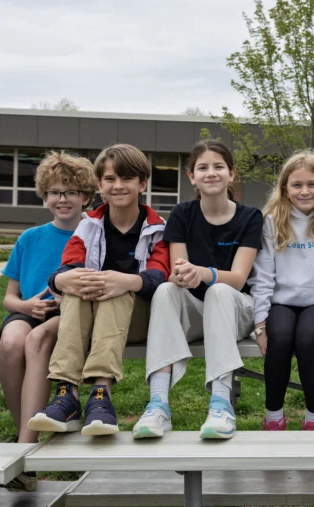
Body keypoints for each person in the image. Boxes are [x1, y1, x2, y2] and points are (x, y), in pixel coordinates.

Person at [28, 144, 169, 437]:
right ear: (100, 186)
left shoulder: (158, 228)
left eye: (127, 178)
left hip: (142, 320)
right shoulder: (89, 226)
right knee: (80, 285)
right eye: (110, 179)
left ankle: (101, 394)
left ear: (142, 183)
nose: (118, 186)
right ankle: (67, 394)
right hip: (93, 320)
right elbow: (65, 269)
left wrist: (126, 281)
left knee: (112, 288)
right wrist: (61, 282)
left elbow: (160, 275)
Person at [132, 140, 263, 440]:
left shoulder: (250, 217)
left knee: (218, 291)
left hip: (236, 310)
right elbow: (179, 268)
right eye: (202, 168)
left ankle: (220, 404)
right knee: (165, 290)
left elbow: (240, 278)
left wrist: (204, 273)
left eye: (219, 167)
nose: (211, 173)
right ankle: (158, 405)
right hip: (197, 312)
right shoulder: (182, 213)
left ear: (232, 174)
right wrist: (183, 276)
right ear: (192, 176)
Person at [0, 151, 96, 492]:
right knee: (10, 341)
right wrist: (26, 305)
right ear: (44, 196)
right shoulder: (30, 238)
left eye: (71, 192)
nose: (62, 199)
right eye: (54, 192)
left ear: (86, 197)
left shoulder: (95, 234)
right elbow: (9, 298)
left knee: (36, 342)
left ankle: (23, 451)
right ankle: (27, 437)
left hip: (72, 314)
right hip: (31, 311)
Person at [249, 150, 314, 431]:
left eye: (312, 184)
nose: (305, 191)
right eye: (297, 185)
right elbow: (261, 276)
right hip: (280, 303)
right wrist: (260, 324)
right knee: (279, 340)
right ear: (285, 188)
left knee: (309, 340)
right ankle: (274, 417)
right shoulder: (271, 221)